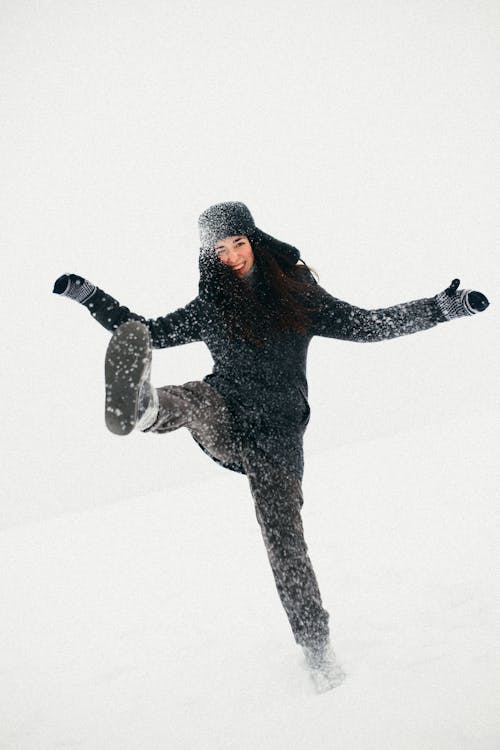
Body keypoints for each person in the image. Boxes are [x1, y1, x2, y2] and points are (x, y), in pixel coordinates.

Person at [52, 201, 489, 693]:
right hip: (226, 411)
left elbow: (368, 324)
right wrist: (89, 295)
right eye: (219, 249)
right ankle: (146, 409)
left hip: (278, 435)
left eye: (238, 243)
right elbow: (141, 332)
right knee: (197, 398)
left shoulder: (300, 298)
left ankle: (318, 651)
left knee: (284, 542)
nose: (232, 256)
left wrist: (440, 308)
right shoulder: (211, 307)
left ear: (254, 239)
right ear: (208, 256)